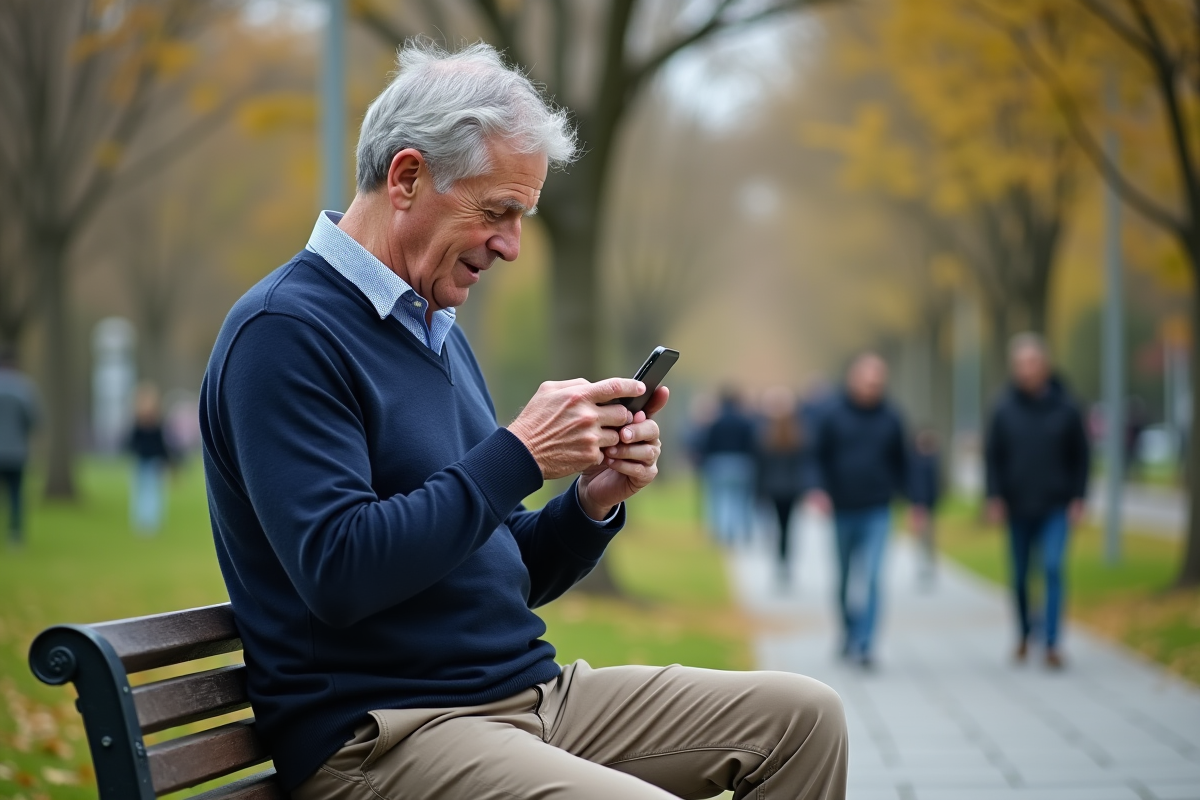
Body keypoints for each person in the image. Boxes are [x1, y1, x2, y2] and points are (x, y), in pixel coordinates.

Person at [200, 42, 846, 800]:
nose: (510, 245)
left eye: (521, 217)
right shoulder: (284, 332)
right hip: (386, 735)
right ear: (407, 177)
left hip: (530, 699)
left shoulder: (435, 332)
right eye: (497, 212)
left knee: (806, 718)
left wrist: (590, 502)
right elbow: (339, 572)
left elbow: (500, 563)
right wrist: (520, 452)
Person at [985, 333, 1090, 670]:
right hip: (1017, 505)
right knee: (1019, 575)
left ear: (1045, 365)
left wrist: (1079, 497)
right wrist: (994, 496)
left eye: (1032, 362)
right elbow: (993, 457)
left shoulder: (1067, 407)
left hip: (1056, 504)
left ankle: (1052, 642)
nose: (1026, 370)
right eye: (1020, 364)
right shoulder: (1003, 408)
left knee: (1053, 568)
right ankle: (1024, 632)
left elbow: (1082, 456)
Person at [808, 353, 911, 668]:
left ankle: (866, 644)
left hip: (878, 508)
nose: (872, 387)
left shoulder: (892, 417)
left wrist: (916, 501)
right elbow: (816, 456)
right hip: (842, 508)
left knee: (874, 577)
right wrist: (818, 489)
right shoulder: (833, 415)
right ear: (853, 379)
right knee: (843, 578)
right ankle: (848, 632)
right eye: (867, 381)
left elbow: (903, 461)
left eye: (878, 382)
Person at [757, 387, 808, 588]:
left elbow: (761, 465)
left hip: (774, 488)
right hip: (791, 489)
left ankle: (780, 560)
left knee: (777, 525)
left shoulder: (766, 434)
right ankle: (785, 560)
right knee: (788, 526)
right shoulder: (798, 433)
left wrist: (759, 490)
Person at [698, 388, 759, 546]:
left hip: (718, 463)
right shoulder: (745, 422)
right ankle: (743, 531)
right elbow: (753, 445)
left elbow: (707, 444)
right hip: (742, 463)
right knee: (741, 500)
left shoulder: (716, 422)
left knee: (720, 500)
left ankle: (724, 534)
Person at [0, 347, 38, 546]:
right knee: (15, 494)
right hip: (16, 451)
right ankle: (15, 535)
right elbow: (33, 419)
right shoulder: (23, 388)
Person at [127, 382, 171, 534]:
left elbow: (163, 446)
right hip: (141, 462)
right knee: (140, 492)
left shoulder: (157, 427)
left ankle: (152, 522)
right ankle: (141, 521)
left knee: (153, 492)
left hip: (154, 463)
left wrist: (168, 462)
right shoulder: (137, 426)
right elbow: (130, 444)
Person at [908, 428, 942, 588]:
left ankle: (930, 568)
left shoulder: (931, 460)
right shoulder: (914, 460)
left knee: (929, 539)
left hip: (929, 506)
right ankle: (921, 568)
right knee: (919, 537)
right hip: (918, 505)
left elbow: (935, 485)